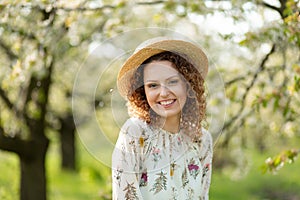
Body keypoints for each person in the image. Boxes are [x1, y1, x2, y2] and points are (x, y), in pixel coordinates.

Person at [112, 37, 213, 200]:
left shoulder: (201, 139)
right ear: (142, 91)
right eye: (153, 85)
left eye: (172, 82)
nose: (163, 93)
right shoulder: (135, 133)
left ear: (188, 85)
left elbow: (202, 195)